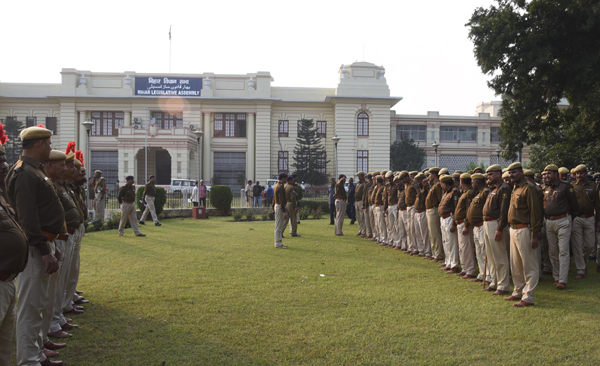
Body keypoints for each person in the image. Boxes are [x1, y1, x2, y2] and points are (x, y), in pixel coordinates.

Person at [6, 126, 65, 366]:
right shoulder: (25, 174)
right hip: (34, 247)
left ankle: (36, 353)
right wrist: (43, 250)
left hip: (43, 243)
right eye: (49, 144)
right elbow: (28, 217)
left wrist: (51, 245)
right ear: (40, 144)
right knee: (30, 308)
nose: (51, 148)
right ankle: (28, 360)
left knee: (38, 304)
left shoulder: (34, 171)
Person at [0, 134, 29, 366]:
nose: (5, 166)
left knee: (5, 346)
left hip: (9, 281)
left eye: (3, 161)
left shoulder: (1, 196)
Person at [505, 162, 543, 307]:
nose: (511, 175)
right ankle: (518, 291)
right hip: (513, 229)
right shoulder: (515, 188)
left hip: (525, 230)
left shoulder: (530, 188)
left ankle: (528, 297)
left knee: (529, 265)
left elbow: (535, 212)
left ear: (521, 172)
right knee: (516, 264)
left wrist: (534, 234)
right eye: (509, 173)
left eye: (514, 172)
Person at [543, 164, 578, 290]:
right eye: (545, 174)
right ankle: (556, 277)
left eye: (549, 173)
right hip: (549, 222)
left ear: (556, 174)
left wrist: (569, 219)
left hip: (563, 220)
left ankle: (563, 280)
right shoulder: (546, 188)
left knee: (563, 251)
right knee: (553, 252)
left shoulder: (566, 186)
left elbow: (574, 205)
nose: (546, 176)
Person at [482, 164, 512, 295]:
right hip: (487, 222)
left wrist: (500, 228)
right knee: (491, 256)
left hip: (496, 223)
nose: (488, 176)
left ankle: (503, 285)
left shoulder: (504, 188)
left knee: (500, 255)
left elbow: (504, 211)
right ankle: (494, 281)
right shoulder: (493, 188)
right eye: (488, 174)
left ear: (499, 174)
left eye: (491, 174)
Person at [571, 164, 599, 279]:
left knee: (590, 245)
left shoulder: (594, 186)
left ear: (586, 173)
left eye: (581, 173)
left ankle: (583, 262)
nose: (579, 175)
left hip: (590, 217)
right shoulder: (572, 186)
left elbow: (597, 205)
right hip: (577, 218)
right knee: (577, 245)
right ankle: (581, 270)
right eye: (577, 173)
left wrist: (598, 221)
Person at [455, 173, 476, 278]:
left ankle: (470, 270)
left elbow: (469, 210)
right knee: (462, 247)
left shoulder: (469, 193)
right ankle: (464, 268)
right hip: (460, 222)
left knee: (467, 247)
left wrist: (466, 225)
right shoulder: (464, 192)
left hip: (464, 222)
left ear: (462, 181)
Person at [439, 174, 461, 273]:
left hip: (450, 217)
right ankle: (448, 262)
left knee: (452, 243)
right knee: (445, 241)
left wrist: (453, 223)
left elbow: (457, 208)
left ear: (445, 183)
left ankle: (454, 265)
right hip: (443, 218)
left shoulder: (454, 192)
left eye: (441, 183)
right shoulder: (446, 192)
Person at [425, 167, 444, 263]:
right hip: (430, 210)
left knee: (435, 233)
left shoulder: (437, 186)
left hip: (434, 210)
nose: (429, 177)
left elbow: (440, 199)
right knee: (432, 234)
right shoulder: (433, 185)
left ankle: (439, 254)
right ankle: (434, 253)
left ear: (434, 175)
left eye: (430, 175)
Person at [413, 173, 431, 256]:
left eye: (418, 181)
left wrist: (418, 189)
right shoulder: (420, 189)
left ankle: (427, 251)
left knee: (424, 233)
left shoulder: (425, 189)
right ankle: (421, 250)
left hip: (422, 211)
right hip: (417, 212)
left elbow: (422, 199)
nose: (417, 183)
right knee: (418, 233)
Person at [273, 173, 288, 248]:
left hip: (277, 205)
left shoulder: (276, 185)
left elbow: (274, 198)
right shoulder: (280, 187)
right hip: (280, 206)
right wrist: (284, 211)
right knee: (279, 226)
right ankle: (278, 243)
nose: (286, 180)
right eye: (285, 178)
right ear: (282, 178)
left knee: (278, 225)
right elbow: (282, 199)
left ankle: (278, 242)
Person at [354, 172, 367, 237]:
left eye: (360, 176)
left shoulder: (364, 183)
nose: (359, 177)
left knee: (362, 217)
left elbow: (364, 193)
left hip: (361, 201)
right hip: (356, 201)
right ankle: (360, 229)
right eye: (358, 176)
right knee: (358, 216)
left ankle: (363, 231)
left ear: (363, 176)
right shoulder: (358, 183)